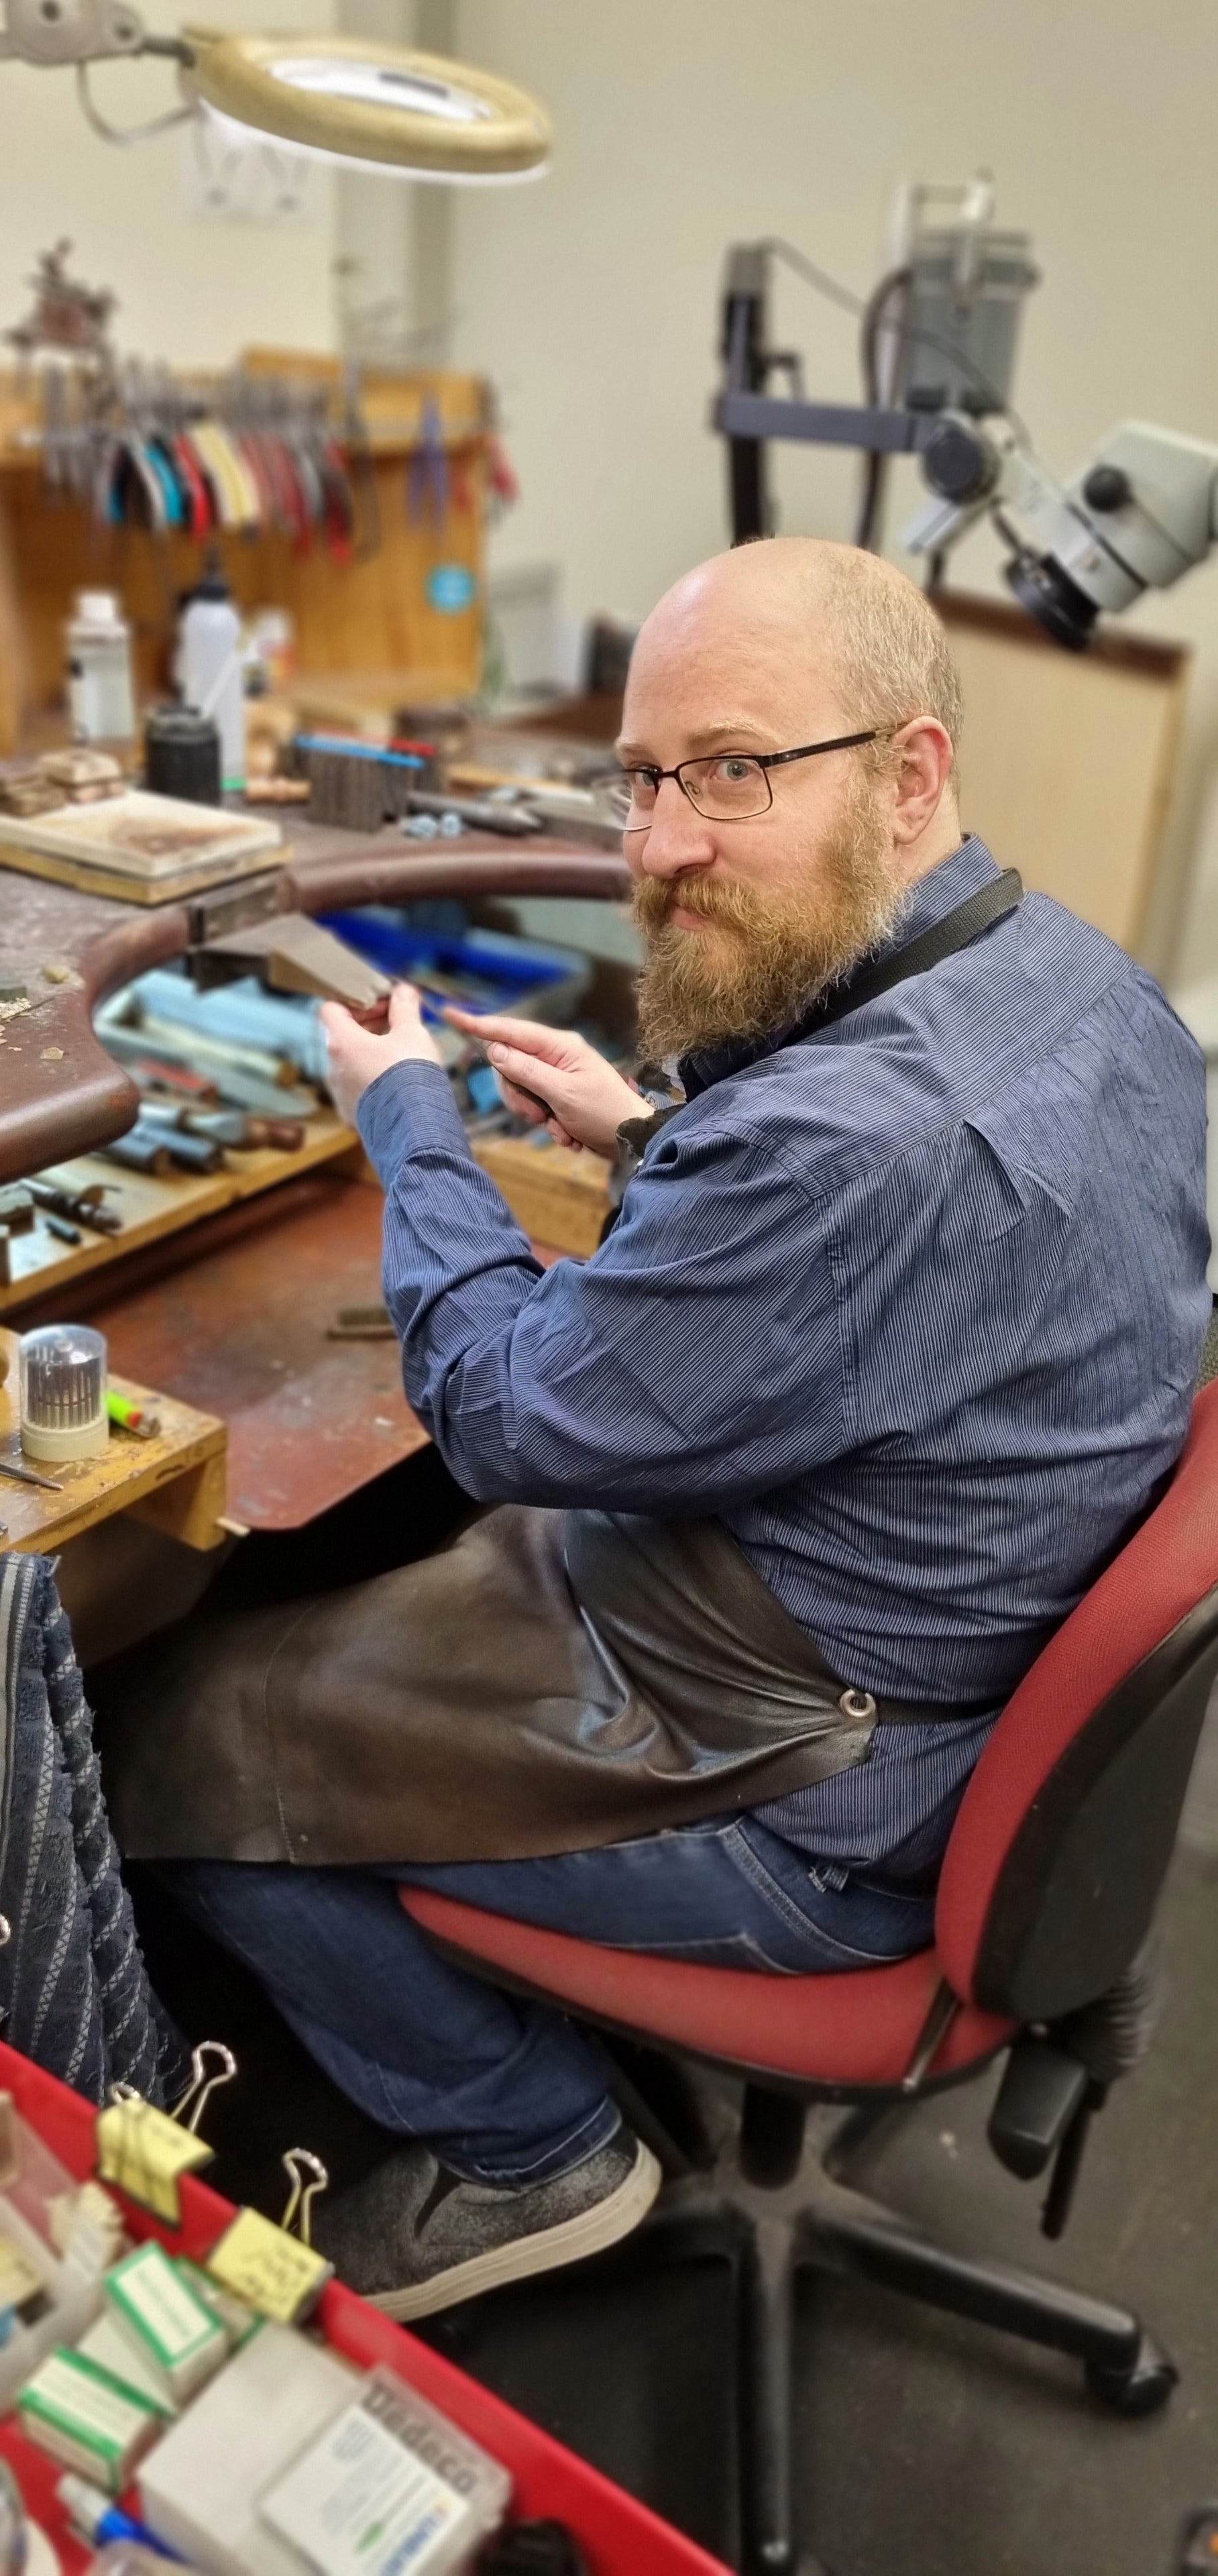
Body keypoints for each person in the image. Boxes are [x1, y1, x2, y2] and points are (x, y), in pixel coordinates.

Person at [98, 537, 1210, 2322]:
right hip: (949, 1659)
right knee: (352, 1606)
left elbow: (503, 1414)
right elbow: (899, 1273)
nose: (659, 842)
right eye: (641, 776)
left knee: (179, 1729)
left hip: (824, 1793)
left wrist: (409, 1128)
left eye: (734, 772)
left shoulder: (850, 1154)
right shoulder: (1089, 993)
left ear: (912, 773)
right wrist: (649, 1138)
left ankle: (527, 2139)